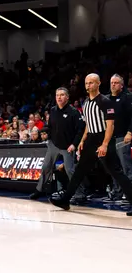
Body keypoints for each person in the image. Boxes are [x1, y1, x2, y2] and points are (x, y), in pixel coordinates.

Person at [50, 73, 132, 216]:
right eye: (87, 83)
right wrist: (82, 140)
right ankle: (66, 199)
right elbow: (88, 123)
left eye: (92, 83)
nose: (89, 85)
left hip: (104, 138)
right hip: (91, 139)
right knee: (79, 171)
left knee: (117, 173)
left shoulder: (105, 101)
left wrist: (105, 144)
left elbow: (110, 125)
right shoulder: (86, 103)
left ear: (99, 83)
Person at [29, 87, 85, 199]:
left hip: (67, 146)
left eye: (62, 95)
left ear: (67, 97)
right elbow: (50, 127)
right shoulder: (53, 110)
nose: (59, 97)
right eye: (57, 95)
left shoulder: (74, 112)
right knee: (46, 167)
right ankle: (39, 190)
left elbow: (81, 130)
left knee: (70, 170)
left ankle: (80, 194)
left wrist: (74, 144)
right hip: (53, 144)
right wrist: (43, 133)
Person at [105, 74, 132, 201]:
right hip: (110, 138)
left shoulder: (127, 98)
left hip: (122, 137)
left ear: (121, 85)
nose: (113, 85)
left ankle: (129, 192)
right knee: (114, 167)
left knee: (125, 166)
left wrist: (130, 132)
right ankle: (117, 191)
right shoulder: (107, 99)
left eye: (116, 82)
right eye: (112, 82)